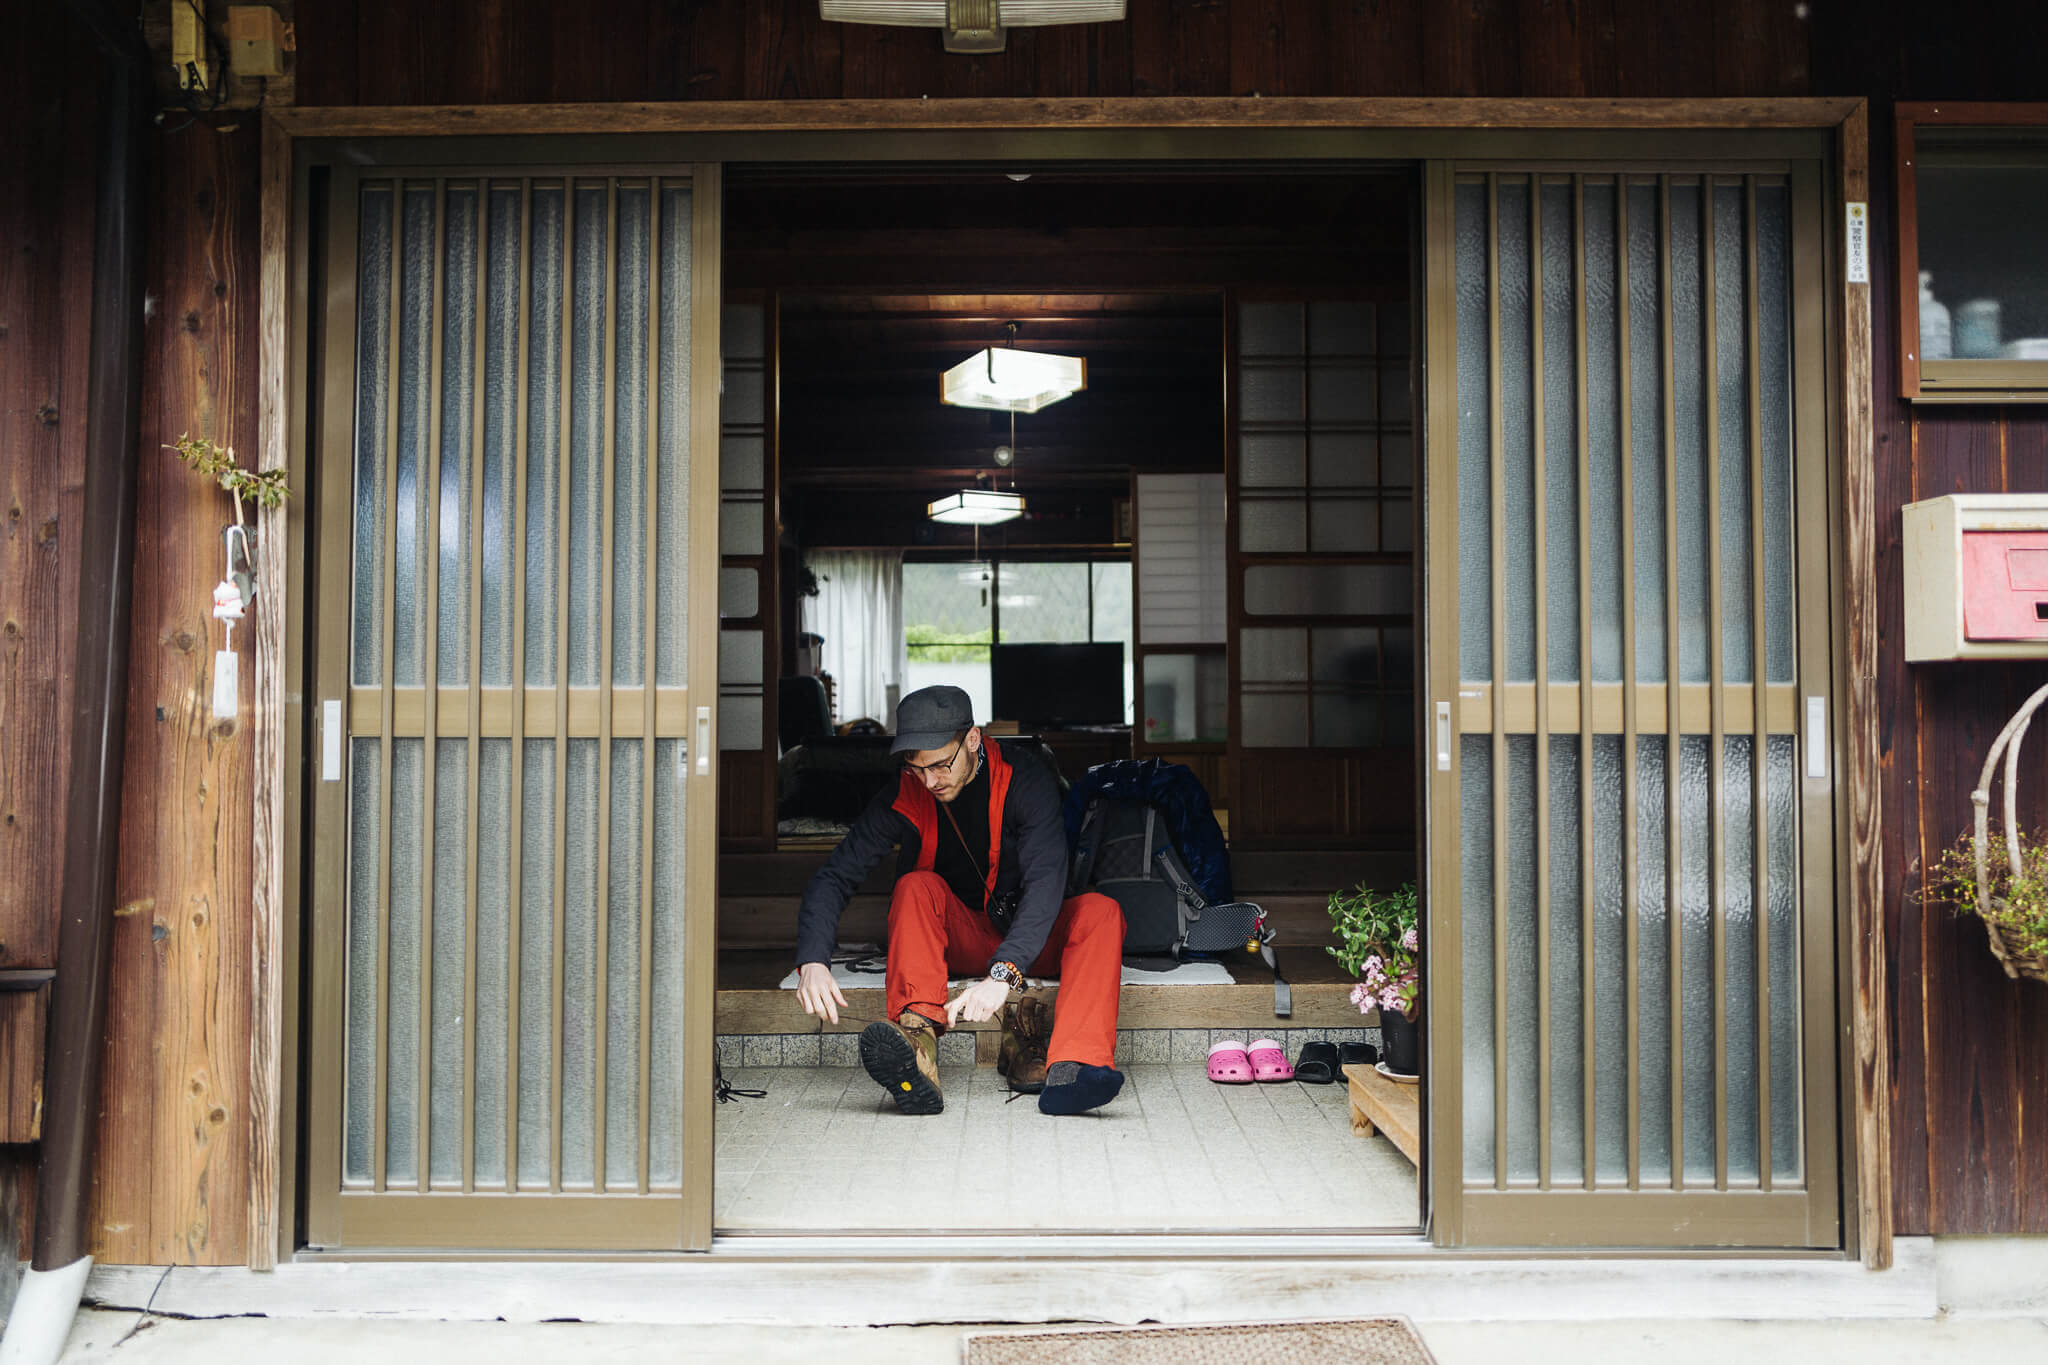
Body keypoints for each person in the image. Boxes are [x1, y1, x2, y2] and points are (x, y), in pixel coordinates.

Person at [793, 684, 1127, 1116]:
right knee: (915, 886)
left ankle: (1076, 1067)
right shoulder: (906, 790)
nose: (930, 781)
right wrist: (813, 960)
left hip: (1033, 936)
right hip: (959, 939)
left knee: (1101, 911)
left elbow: (1047, 882)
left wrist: (1004, 973)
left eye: (939, 765)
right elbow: (835, 875)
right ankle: (917, 1048)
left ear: (972, 739)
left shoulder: (1025, 779)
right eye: (917, 768)